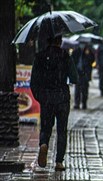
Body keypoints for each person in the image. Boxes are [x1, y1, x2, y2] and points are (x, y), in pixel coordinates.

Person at [30, 35, 78, 171]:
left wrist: (40, 97)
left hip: (46, 98)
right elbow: (74, 77)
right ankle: (59, 162)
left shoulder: (40, 56)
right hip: (62, 98)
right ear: (60, 41)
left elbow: (34, 81)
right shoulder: (65, 56)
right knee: (62, 130)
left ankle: (44, 144)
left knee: (45, 127)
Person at [72, 44, 95, 109]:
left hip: (86, 73)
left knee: (85, 89)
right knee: (77, 89)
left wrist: (88, 54)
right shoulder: (76, 51)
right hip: (78, 72)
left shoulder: (89, 50)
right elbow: (73, 60)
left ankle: (84, 103)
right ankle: (77, 103)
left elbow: (92, 60)